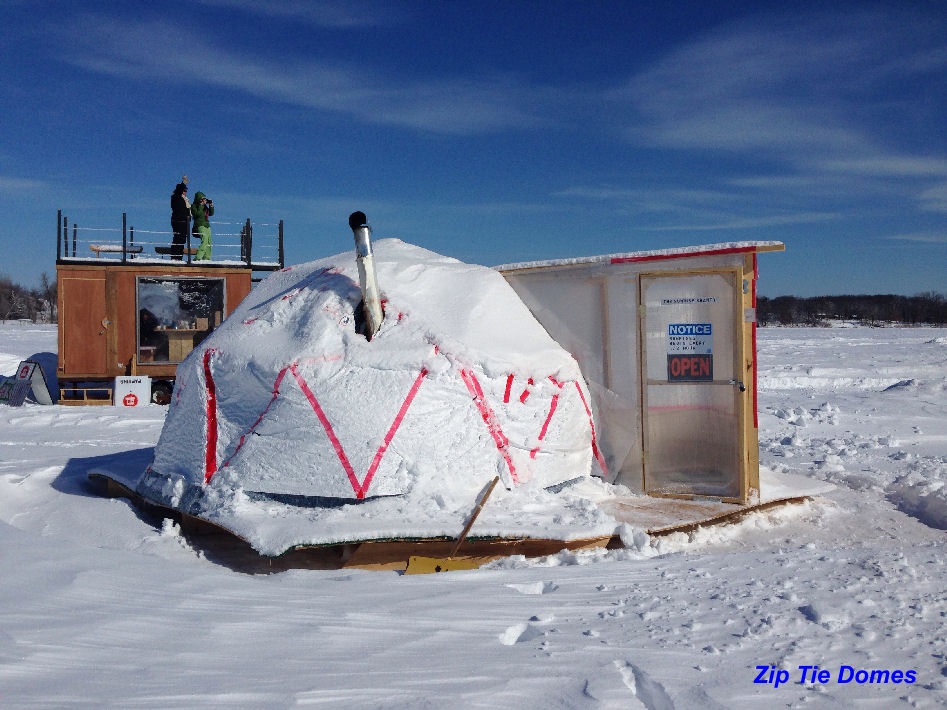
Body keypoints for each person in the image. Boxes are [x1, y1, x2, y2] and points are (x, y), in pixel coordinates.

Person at [169, 177, 190, 260]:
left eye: (186, 191)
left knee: (182, 240)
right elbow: (179, 189)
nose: (185, 192)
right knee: (177, 239)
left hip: (184, 222)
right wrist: (183, 183)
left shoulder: (184, 199)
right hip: (178, 221)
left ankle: (179, 257)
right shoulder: (176, 197)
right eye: (184, 190)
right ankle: (175, 257)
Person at [191, 191, 214, 260]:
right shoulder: (194, 206)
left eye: (205, 199)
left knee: (209, 241)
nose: (204, 200)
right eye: (202, 199)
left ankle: (207, 258)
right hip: (200, 225)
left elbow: (211, 213)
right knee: (204, 240)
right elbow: (197, 214)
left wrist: (211, 205)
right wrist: (201, 205)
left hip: (207, 225)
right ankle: (198, 258)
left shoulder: (205, 207)